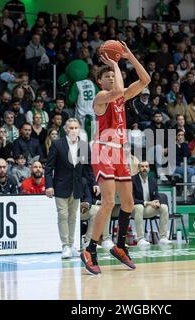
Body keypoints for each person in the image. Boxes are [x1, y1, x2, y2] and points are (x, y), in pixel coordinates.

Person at [81, 41, 151, 275]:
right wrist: (115, 64)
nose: (112, 77)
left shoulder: (121, 98)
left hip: (120, 152)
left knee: (129, 203)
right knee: (109, 202)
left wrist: (129, 55)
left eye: (113, 74)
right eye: (107, 75)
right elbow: (118, 91)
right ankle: (90, 248)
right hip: (103, 149)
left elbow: (145, 80)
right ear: (100, 82)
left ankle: (120, 246)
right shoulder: (101, 97)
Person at [45, 118, 97, 259]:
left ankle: (72, 244)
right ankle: (65, 246)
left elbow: (88, 168)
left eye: (76, 128)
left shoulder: (84, 146)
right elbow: (49, 168)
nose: (74, 130)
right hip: (60, 185)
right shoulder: (57, 144)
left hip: (77, 186)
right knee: (63, 215)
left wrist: (95, 184)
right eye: (71, 128)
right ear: (66, 129)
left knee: (73, 217)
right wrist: (48, 185)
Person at [132, 161, 173, 247]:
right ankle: (140, 239)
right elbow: (132, 199)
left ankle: (163, 238)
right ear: (138, 168)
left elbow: (156, 195)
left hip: (147, 209)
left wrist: (157, 201)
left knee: (164, 207)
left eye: (146, 167)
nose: (144, 169)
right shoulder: (133, 180)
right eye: (142, 167)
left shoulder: (153, 180)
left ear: (149, 169)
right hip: (134, 209)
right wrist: (148, 202)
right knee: (139, 207)